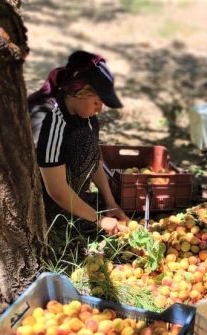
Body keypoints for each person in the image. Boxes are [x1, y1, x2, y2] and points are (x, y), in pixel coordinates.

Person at [28, 50, 129, 235]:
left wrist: (110, 203)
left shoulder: (84, 114)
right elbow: (56, 189)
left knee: (87, 136)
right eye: (97, 102)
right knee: (81, 139)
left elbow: (94, 158)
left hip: (66, 189)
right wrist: (99, 220)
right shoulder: (50, 120)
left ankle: (75, 209)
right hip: (41, 197)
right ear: (78, 92)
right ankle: (56, 218)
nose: (100, 109)